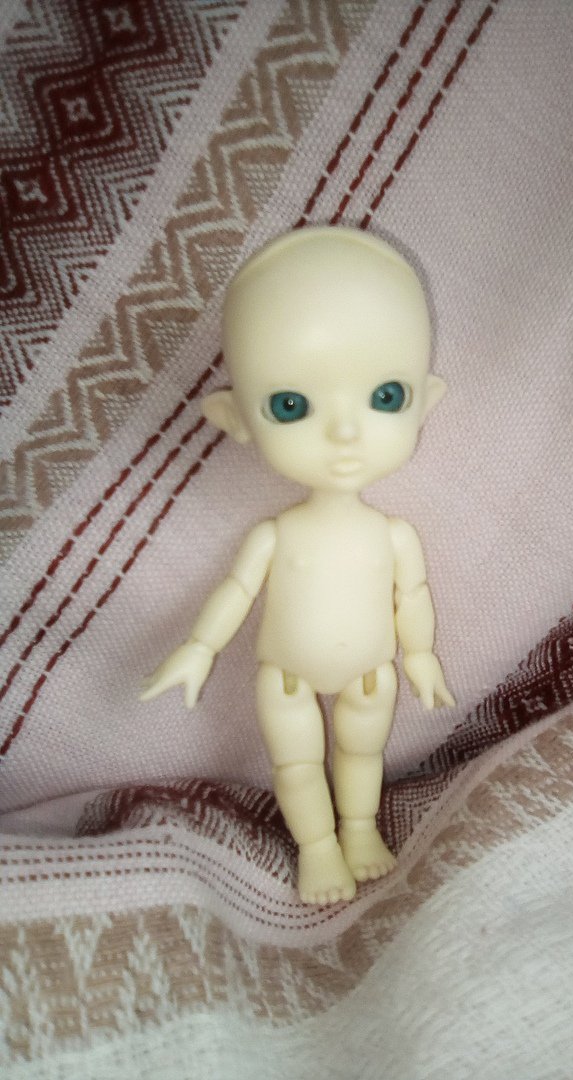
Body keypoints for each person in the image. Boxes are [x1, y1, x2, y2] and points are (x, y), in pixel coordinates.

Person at [141, 226, 454, 905]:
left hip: (372, 674)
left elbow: (413, 596)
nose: (344, 433)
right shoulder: (274, 535)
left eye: (386, 397)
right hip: (285, 677)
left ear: (426, 401)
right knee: (297, 763)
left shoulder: (394, 535)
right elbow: (237, 589)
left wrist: (422, 657)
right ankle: (317, 851)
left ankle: (360, 833)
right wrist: (199, 648)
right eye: (292, 406)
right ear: (233, 418)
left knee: (362, 753)